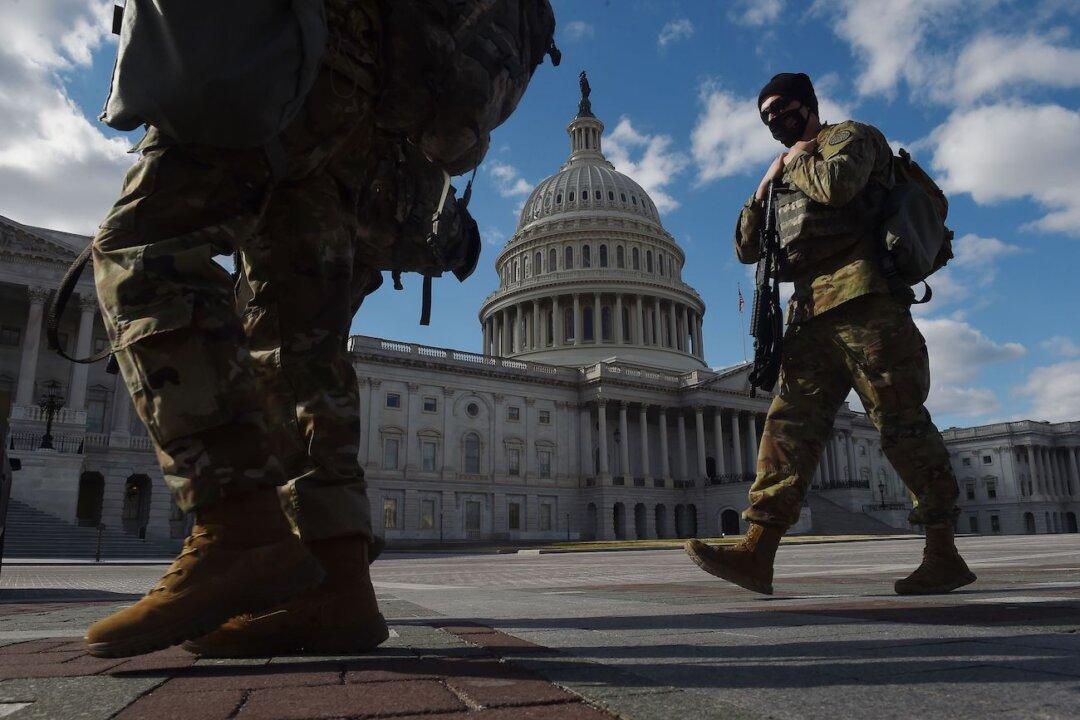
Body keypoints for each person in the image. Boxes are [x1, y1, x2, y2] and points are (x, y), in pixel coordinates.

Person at [85, 0, 388, 658]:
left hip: (275, 47)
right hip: (370, 101)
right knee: (299, 335)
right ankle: (339, 585)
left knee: (143, 251)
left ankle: (241, 527)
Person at [685, 72, 976, 596]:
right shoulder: (784, 169)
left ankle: (943, 550)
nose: (774, 122)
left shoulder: (852, 138)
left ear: (807, 105)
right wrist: (762, 186)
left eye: (781, 110)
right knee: (787, 429)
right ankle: (758, 548)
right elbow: (746, 247)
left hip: (866, 301)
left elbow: (838, 187)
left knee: (899, 422)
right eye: (765, 117)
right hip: (809, 312)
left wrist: (794, 160)